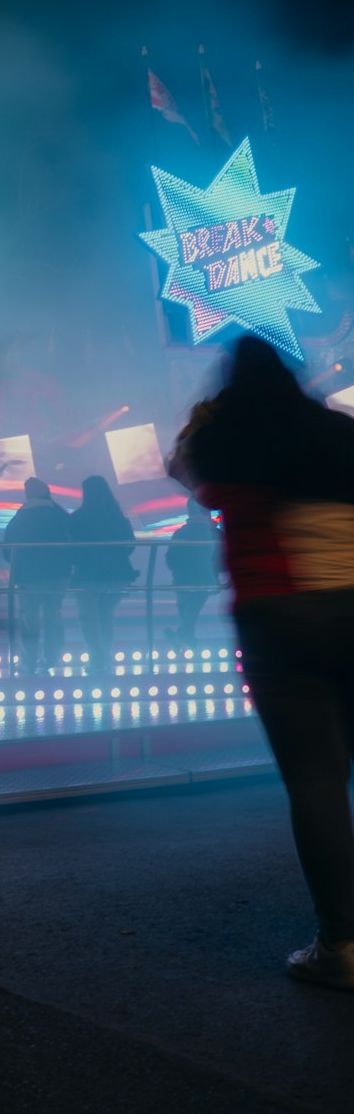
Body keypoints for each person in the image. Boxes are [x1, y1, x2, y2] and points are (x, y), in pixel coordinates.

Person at [169, 334, 354, 988]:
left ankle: (342, 946)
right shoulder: (336, 430)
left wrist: (209, 415)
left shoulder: (224, 440)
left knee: (317, 779)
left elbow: (183, 472)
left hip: (278, 616)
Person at [2, 478, 72, 675]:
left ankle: (28, 663)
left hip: (28, 576)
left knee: (29, 619)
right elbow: (72, 542)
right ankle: (52, 659)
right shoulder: (59, 514)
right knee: (54, 616)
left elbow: (8, 550)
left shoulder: (20, 517)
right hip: (58, 575)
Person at [68, 475, 137, 672]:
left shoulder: (78, 518)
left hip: (88, 575)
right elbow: (129, 545)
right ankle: (105, 656)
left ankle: (97, 657)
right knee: (105, 614)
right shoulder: (118, 516)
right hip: (118, 575)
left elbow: (71, 548)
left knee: (88, 616)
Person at [164, 499, 221, 648]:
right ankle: (185, 637)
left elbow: (170, 559)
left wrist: (178, 570)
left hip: (181, 579)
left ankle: (185, 638)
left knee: (187, 610)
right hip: (206, 579)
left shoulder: (180, 533)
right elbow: (223, 558)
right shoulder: (215, 534)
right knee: (192, 609)